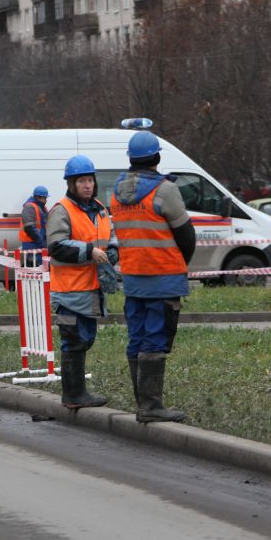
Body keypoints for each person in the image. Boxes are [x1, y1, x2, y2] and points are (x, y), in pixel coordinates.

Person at [110, 132, 195, 422]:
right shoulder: (165, 190)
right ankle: (151, 407)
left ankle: (142, 403)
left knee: (137, 338)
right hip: (164, 277)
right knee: (156, 339)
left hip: (133, 279)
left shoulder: (116, 191)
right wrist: (180, 262)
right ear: (156, 157)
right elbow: (185, 233)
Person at [47, 156, 118, 409]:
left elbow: (110, 235)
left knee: (84, 340)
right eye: (81, 181)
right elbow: (56, 247)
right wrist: (89, 251)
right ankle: (74, 395)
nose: (87, 185)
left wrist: (113, 251)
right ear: (71, 184)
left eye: (90, 180)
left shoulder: (99, 208)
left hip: (90, 289)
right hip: (69, 291)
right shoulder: (61, 210)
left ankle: (78, 394)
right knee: (74, 341)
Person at [19, 185, 49, 266]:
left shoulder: (42, 207)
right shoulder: (29, 206)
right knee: (32, 267)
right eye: (45, 198)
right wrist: (41, 241)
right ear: (38, 197)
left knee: (41, 268)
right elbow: (29, 228)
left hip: (39, 243)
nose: (46, 200)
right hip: (31, 243)